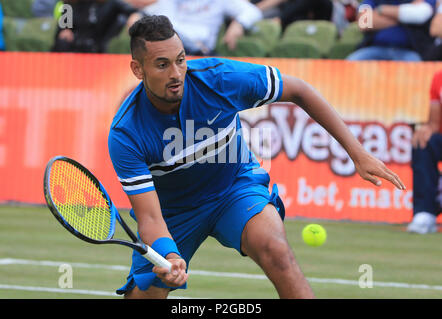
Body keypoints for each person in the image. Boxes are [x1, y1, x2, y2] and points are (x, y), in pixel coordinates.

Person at [108, 15, 405, 299]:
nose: (175, 73)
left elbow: (299, 90)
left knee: (276, 250)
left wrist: (357, 152)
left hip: (233, 189)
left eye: (180, 60)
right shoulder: (126, 133)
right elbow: (149, 217)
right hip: (173, 212)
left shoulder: (220, 79)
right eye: (162, 65)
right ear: (138, 69)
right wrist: (170, 255)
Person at [139, 0, 263, 56]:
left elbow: (253, 11)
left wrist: (238, 24)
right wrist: (192, 41)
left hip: (204, 54)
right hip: (173, 50)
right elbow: (166, 24)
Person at [407, 70, 442, 234]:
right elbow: (435, 124)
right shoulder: (439, 77)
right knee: (423, 142)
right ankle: (424, 213)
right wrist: (426, 128)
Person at [347, 0, 436, 61]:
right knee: (350, 65)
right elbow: (364, 22)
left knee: (419, 73)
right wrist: (405, 14)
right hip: (375, 48)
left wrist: (381, 10)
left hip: (410, 51)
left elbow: (421, 14)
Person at [52, 0, 141, 53]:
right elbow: (63, 26)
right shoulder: (72, 3)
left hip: (98, 47)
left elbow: (135, 12)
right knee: (62, 42)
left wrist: (134, 15)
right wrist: (65, 29)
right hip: (73, 48)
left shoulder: (112, 3)